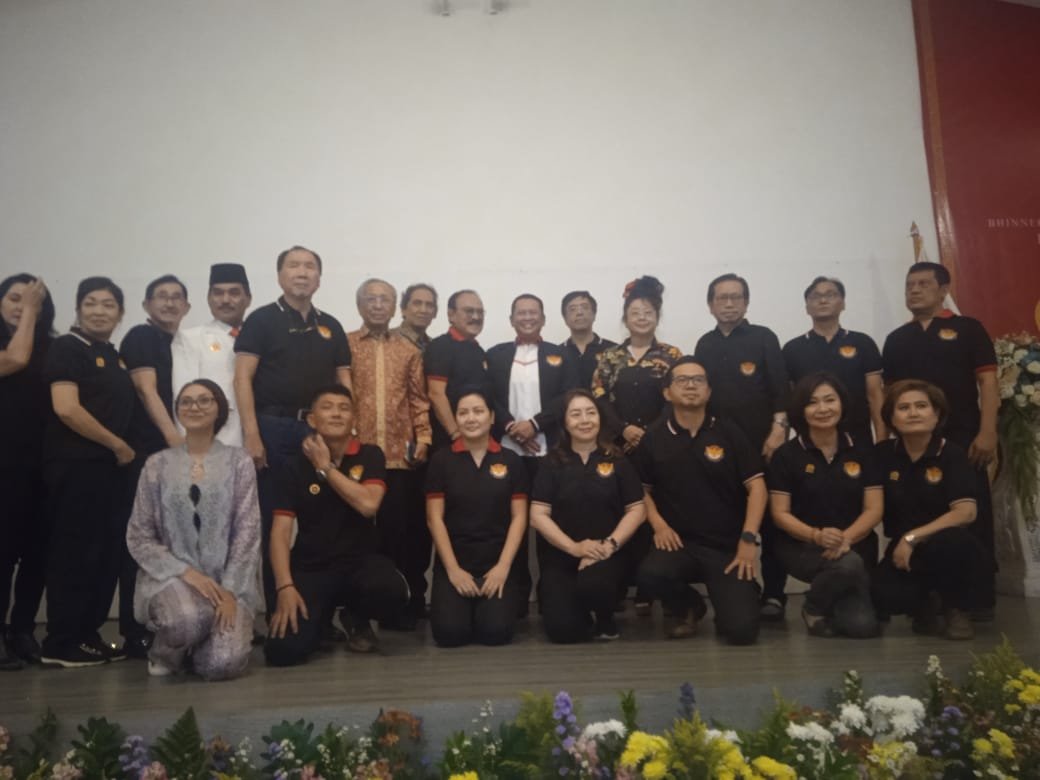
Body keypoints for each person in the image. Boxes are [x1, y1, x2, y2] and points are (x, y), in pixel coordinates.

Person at [234, 245, 352, 610]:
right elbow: (242, 378)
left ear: (319, 278)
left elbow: (344, 383)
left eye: (310, 267)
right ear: (280, 275)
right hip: (273, 428)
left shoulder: (331, 325)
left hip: (320, 432)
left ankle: (320, 611)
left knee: (324, 519)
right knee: (276, 522)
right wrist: (252, 434)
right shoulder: (261, 320)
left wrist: (347, 431)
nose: (302, 272)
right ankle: (278, 610)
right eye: (294, 266)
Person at [881, 261, 998, 617]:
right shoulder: (896, 339)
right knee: (914, 510)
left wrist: (988, 431)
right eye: (909, 285)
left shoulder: (968, 328)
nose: (914, 290)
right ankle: (927, 593)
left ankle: (976, 600)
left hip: (964, 437)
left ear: (944, 290)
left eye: (923, 284)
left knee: (972, 516)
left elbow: (988, 382)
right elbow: (890, 396)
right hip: (911, 445)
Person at [126, 380, 261, 679]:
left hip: (226, 581)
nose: (194, 407)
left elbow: (247, 533)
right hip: (173, 578)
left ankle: (199, 648)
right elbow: (139, 535)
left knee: (221, 664)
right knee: (187, 621)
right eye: (186, 402)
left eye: (204, 400)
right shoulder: (156, 465)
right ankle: (166, 652)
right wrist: (186, 573)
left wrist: (229, 591)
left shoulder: (239, 462)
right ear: (177, 411)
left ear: (219, 408)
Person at [264, 385, 408, 665]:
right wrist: (285, 587)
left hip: (360, 563)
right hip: (312, 567)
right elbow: (280, 533)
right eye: (327, 407)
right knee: (283, 652)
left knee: (391, 592)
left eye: (344, 408)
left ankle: (355, 616)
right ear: (312, 419)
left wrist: (325, 467)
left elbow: (368, 505)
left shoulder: (370, 455)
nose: (336, 414)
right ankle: (321, 623)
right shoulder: (293, 466)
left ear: (354, 419)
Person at [634, 357, 766, 645]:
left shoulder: (729, 432)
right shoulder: (653, 437)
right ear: (667, 392)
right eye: (682, 380)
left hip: (725, 547)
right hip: (678, 544)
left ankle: (739, 595)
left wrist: (748, 538)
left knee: (742, 632)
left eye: (698, 380)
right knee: (650, 576)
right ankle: (689, 607)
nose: (691, 385)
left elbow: (757, 487)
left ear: (709, 391)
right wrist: (659, 525)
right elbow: (641, 491)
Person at [40, 277, 137, 668]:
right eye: (91, 303)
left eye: (108, 304)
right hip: (77, 467)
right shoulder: (68, 347)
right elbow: (66, 408)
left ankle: (86, 634)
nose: (99, 311)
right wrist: (117, 445)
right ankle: (61, 641)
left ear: (120, 313)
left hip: (108, 472)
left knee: (100, 554)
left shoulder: (111, 353)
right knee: (75, 553)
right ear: (78, 309)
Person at [693, 273, 789, 621]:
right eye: (722, 298)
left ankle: (775, 593)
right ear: (710, 305)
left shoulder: (764, 337)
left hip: (765, 445)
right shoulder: (705, 344)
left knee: (770, 523)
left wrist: (779, 429)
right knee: (730, 518)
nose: (729, 304)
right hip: (721, 451)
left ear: (746, 303)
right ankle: (741, 588)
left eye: (736, 297)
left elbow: (780, 388)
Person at [870, 380, 989, 640]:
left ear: (936, 414)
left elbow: (966, 512)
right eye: (904, 408)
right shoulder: (882, 455)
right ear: (891, 418)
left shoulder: (952, 454)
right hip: (904, 548)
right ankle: (924, 604)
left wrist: (912, 537)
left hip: (949, 546)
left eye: (921, 406)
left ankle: (956, 608)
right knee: (882, 595)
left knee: (951, 542)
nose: (913, 413)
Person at [767, 372, 882, 638]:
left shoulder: (863, 451)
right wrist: (817, 536)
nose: (822, 409)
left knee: (863, 628)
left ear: (842, 403)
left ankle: (826, 599)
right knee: (848, 565)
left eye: (830, 400)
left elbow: (874, 509)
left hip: (854, 544)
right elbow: (780, 513)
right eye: (812, 402)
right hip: (801, 546)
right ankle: (814, 607)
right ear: (801, 410)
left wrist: (845, 538)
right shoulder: (786, 455)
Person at [347, 278, 433, 629]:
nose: (378, 305)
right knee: (357, 536)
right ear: (360, 305)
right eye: (371, 299)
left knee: (399, 534)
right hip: (356, 456)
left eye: (385, 299)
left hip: (399, 458)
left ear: (395, 307)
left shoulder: (408, 350)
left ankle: (397, 606)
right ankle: (357, 610)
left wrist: (424, 437)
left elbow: (418, 400)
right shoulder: (346, 346)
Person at [530, 389, 645, 642]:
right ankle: (579, 612)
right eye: (576, 414)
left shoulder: (618, 460)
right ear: (564, 422)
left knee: (595, 585)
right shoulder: (551, 463)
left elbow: (637, 510)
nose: (584, 420)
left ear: (600, 418)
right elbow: (538, 515)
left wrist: (608, 546)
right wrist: (575, 548)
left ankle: (604, 618)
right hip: (562, 555)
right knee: (563, 632)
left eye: (591, 413)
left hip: (607, 553)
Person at [117, 274, 193, 658]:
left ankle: (170, 623)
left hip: (174, 455)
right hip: (148, 455)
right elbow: (147, 391)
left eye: (177, 297)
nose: (169, 303)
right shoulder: (142, 337)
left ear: (187, 307)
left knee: (172, 541)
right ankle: (135, 631)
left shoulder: (182, 343)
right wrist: (176, 444)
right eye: (161, 296)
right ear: (146, 305)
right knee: (142, 543)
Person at [424, 387, 528, 647]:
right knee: (450, 634)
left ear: (491, 417)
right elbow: (434, 519)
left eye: (478, 411)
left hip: (497, 561)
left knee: (496, 633)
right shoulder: (441, 461)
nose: (471, 418)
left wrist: (503, 568)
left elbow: (519, 518)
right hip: (456, 562)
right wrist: (453, 570)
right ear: (456, 418)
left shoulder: (511, 460)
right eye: (463, 413)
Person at [0, 274, 55, 669]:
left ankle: (22, 630)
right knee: (2, 555)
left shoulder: (53, 347)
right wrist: (31, 313)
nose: (21, 306)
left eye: (31, 300)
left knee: (39, 555)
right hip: (4, 465)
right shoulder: (15, 348)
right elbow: (16, 360)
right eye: (14, 298)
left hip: (45, 464)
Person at [782, 277, 885, 443]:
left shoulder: (863, 343)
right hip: (809, 441)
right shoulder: (792, 349)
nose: (823, 300)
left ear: (843, 303)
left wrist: (882, 440)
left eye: (830, 295)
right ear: (807, 307)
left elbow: (875, 395)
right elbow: (787, 401)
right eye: (816, 296)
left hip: (858, 438)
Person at [591, 276, 681, 452]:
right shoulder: (610, 355)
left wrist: (649, 431)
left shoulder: (672, 354)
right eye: (635, 313)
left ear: (657, 318)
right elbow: (600, 396)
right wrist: (623, 429)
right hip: (617, 442)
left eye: (648, 313)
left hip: (661, 440)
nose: (642, 318)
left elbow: (677, 398)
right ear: (625, 319)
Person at [171, 263, 252, 447]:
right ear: (208, 299)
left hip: (262, 434)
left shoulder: (259, 338)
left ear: (248, 299)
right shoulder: (190, 339)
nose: (225, 300)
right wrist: (189, 444)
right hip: (218, 437)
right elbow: (183, 396)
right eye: (218, 293)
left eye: (234, 293)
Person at [424, 290, 490, 450]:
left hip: (476, 440)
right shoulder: (441, 346)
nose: (476, 317)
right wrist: (456, 435)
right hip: (450, 442)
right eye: (469, 311)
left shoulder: (478, 350)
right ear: (451, 315)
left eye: (480, 312)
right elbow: (436, 394)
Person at [560, 290, 616, 389]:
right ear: (565, 319)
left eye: (585, 307)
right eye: (573, 309)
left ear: (594, 314)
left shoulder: (613, 350)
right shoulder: (557, 353)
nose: (579, 313)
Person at [392, 283, 438, 353]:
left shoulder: (436, 347)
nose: (423, 310)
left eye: (429, 305)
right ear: (403, 309)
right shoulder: (387, 340)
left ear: (435, 313)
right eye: (417, 303)